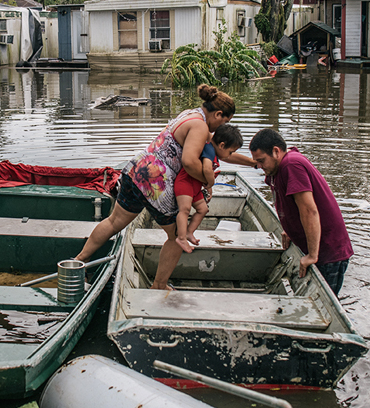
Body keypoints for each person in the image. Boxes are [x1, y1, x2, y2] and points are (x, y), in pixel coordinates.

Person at [74, 84, 256, 289]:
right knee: (177, 236)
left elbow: (221, 152)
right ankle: (159, 285)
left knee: (114, 222)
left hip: (135, 170)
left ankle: (78, 261)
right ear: (219, 114)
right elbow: (189, 161)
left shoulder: (191, 115)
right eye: (225, 121)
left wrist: (253, 163)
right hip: (155, 184)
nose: (222, 127)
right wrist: (207, 182)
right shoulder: (201, 127)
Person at [249, 128, 353, 296]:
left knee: (322, 303)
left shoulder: (292, 165)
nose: (258, 166)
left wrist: (312, 255)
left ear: (276, 151)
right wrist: (289, 228)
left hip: (327, 251)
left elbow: (309, 210)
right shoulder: (277, 168)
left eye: (261, 161)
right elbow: (289, 202)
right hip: (317, 247)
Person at [173, 123, 244, 253]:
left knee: (203, 209)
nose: (229, 156)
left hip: (195, 186)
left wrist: (207, 187)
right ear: (222, 145)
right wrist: (211, 183)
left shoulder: (213, 152)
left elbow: (205, 173)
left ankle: (189, 232)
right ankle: (181, 238)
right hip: (185, 183)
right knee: (185, 209)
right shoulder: (209, 149)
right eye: (230, 152)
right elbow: (206, 168)